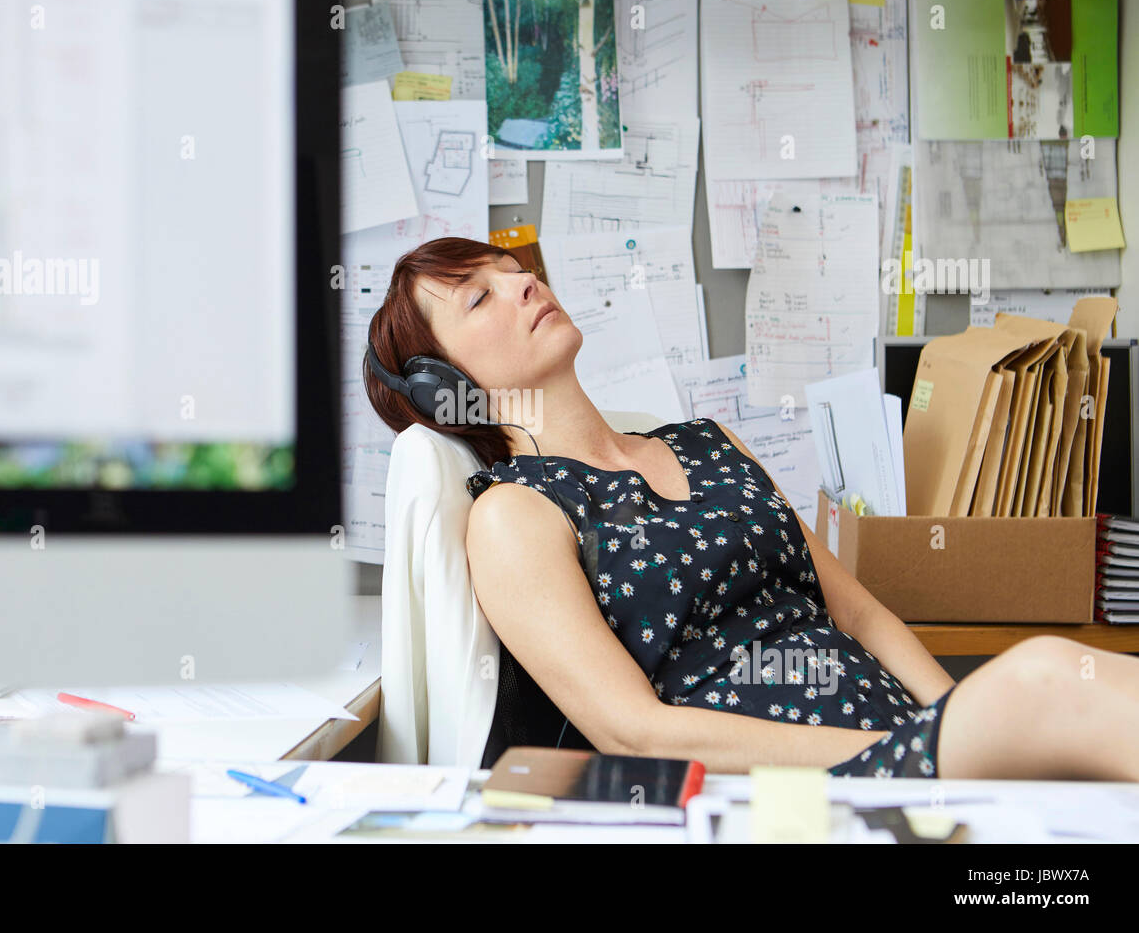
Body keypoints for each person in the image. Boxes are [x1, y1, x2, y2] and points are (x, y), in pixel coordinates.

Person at [364, 236, 1139, 780]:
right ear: (442, 384)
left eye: (514, 270)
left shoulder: (707, 441)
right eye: (480, 295)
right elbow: (633, 731)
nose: (524, 284)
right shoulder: (518, 515)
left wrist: (956, 731)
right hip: (799, 785)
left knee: (1057, 723)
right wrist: (897, 753)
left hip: (906, 747)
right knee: (1043, 675)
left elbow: (862, 618)